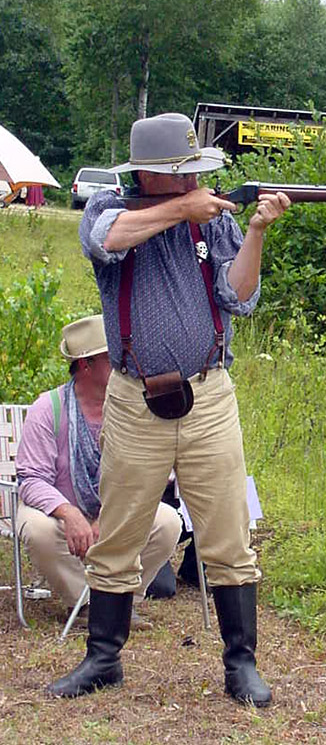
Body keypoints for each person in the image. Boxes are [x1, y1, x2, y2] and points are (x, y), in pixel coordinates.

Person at [46, 112, 290, 705]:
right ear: (149, 175)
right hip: (133, 399)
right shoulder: (110, 207)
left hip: (209, 395)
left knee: (229, 534)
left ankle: (241, 666)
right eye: (179, 176)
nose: (190, 184)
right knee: (119, 533)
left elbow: (239, 295)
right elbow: (108, 240)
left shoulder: (210, 219)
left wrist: (255, 230)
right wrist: (184, 209)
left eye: (192, 176)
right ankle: (103, 660)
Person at [16, 314, 182, 626]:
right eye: (111, 358)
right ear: (85, 365)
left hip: (117, 509)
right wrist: (70, 514)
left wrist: (110, 515)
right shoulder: (48, 409)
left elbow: (152, 473)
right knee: (35, 527)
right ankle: (85, 603)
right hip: (61, 514)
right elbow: (31, 479)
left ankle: (121, 602)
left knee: (168, 522)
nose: (123, 366)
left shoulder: (132, 408)